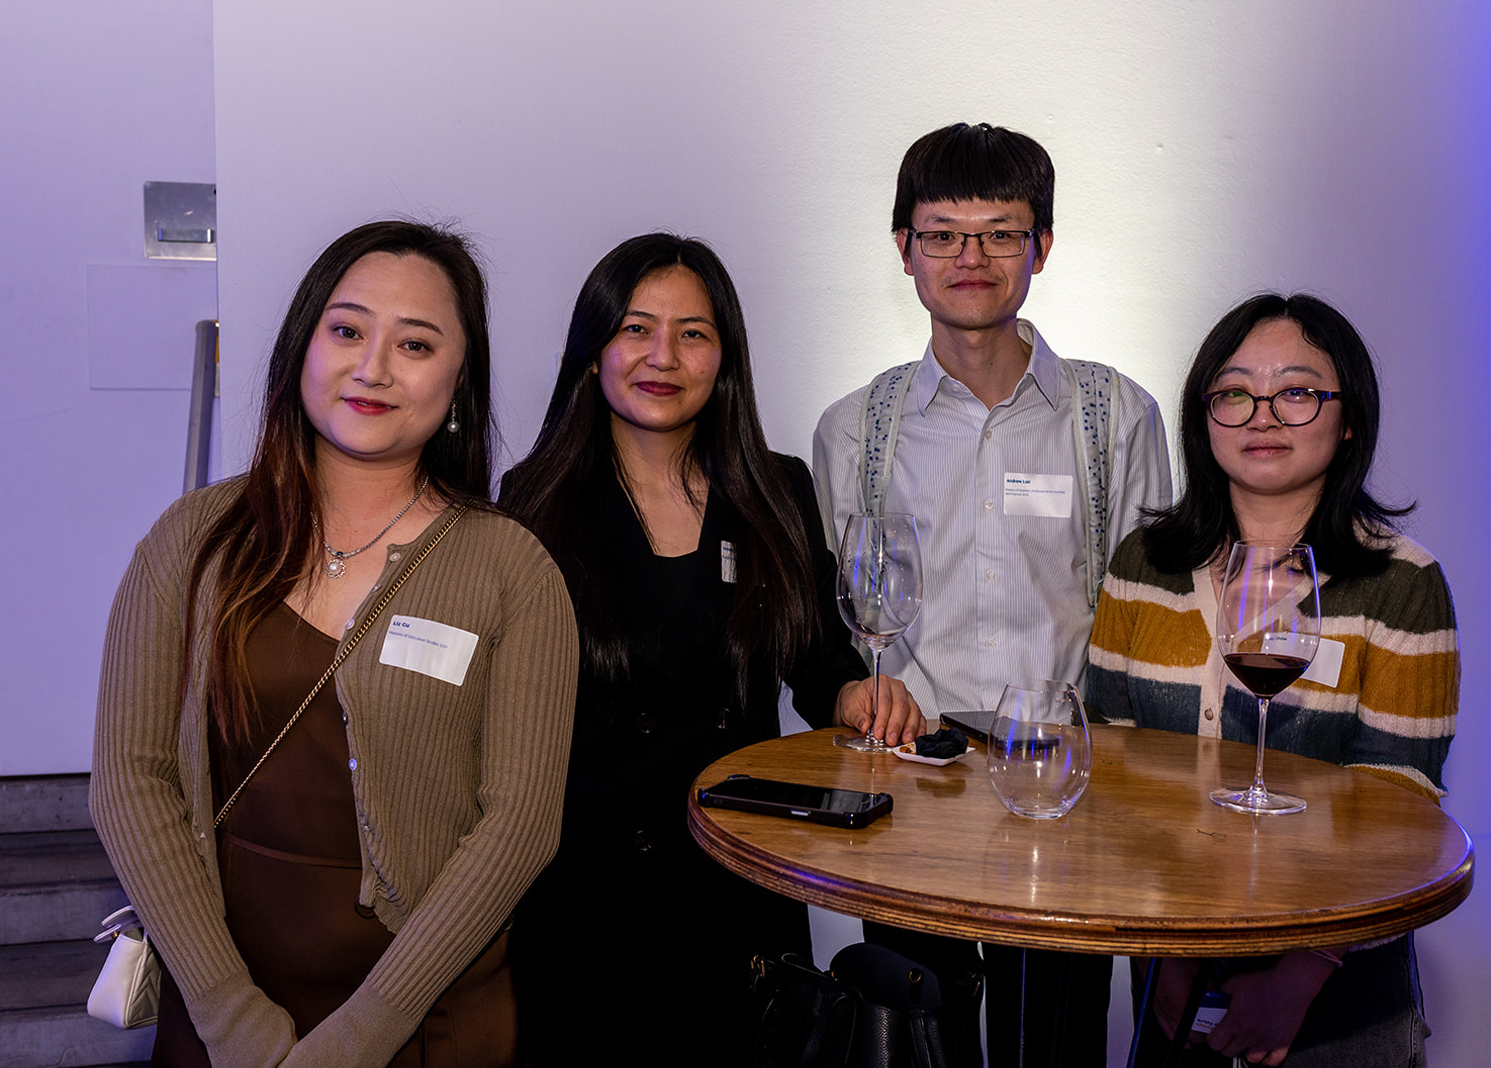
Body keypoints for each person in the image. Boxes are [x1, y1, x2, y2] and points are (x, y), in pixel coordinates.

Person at [90, 221, 579, 1067]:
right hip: (221, 1011)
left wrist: (360, 1038)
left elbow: (521, 825)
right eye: (348, 330)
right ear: (302, 348)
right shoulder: (193, 540)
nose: (374, 367)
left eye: (415, 344)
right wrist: (232, 1019)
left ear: (460, 379)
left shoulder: (513, 570)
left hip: (428, 1021)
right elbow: (131, 779)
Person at [497, 233, 922, 1066]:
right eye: (635, 328)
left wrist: (855, 693)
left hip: (739, 876)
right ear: (592, 350)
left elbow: (818, 657)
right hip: (587, 898)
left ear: (724, 357)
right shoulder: (536, 501)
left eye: (692, 333)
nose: (663, 356)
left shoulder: (775, 488)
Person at [813, 121, 1171, 1067]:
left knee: (1051, 1047)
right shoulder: (853, 429)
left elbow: (1149, 624)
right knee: (914, 1044)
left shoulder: (1116, 417)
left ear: (1041, 248)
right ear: (905, 250)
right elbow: (844, 619)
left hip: (1065, 795)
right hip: (910, 790)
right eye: (942, 234)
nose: (970, 258)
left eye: (1001, 233)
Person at [1086, 293, 1459, 1066]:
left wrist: (1299, 976)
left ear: (1348, 418)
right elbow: (1108, 766)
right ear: (1204, 415)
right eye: (1234, 394)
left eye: (1296, 392)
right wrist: (1168, 951)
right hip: (1169, 969)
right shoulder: (1143, 565)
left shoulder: (1402, 583)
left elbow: (1401, 805)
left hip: (1340, 991)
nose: (1262, 417)